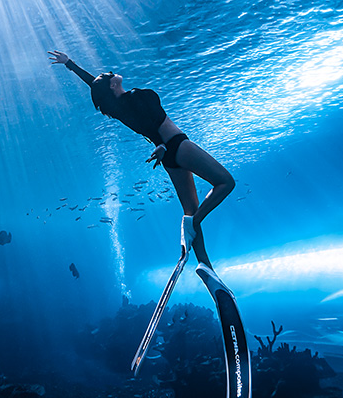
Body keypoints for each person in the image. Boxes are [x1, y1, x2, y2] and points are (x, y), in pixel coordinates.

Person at [49, 50, 235, 268]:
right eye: (109, 75)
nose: (111, 72)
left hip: (168, 157)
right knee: (225, 183)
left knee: (189, 210)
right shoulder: (136, 96)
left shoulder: (116, 108)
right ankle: (194, 223)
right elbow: (153, 122)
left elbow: (95, 84)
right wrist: (163, 144)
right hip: (177, 145)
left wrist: (69, 63)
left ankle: (205, 265)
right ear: (112, 85)